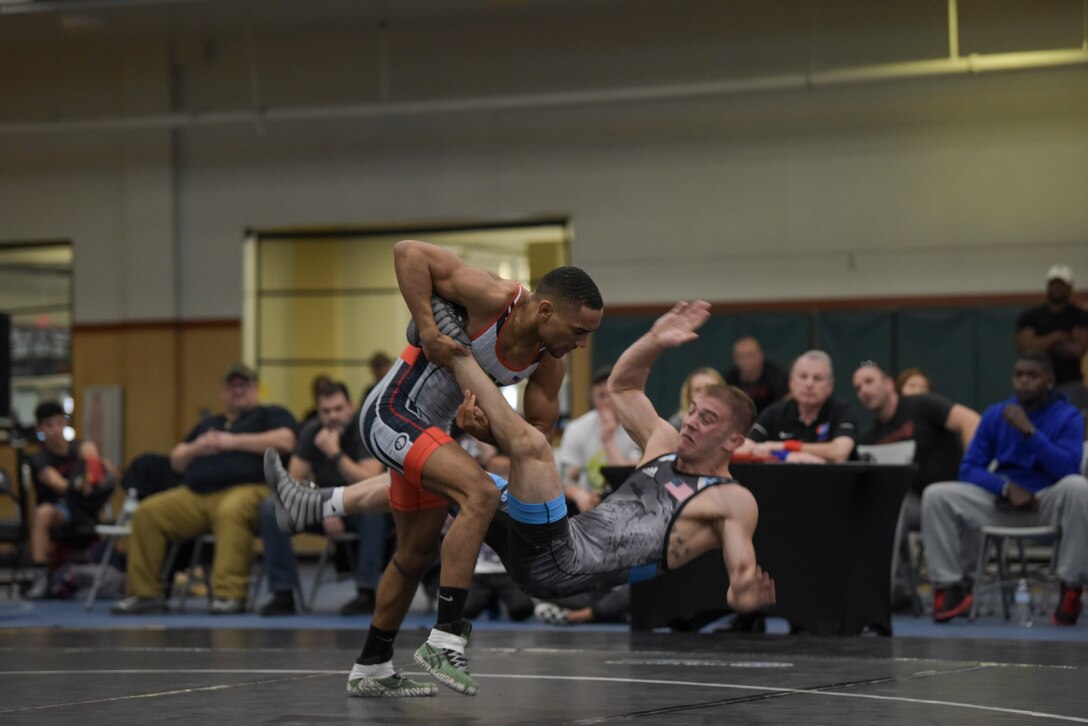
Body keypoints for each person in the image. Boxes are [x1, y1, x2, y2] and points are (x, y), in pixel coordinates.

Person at [267, 300, 775, 668]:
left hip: (569, 568)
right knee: (461, 481)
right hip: (554, 544)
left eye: (705, 420)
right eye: (691, 411)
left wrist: (746, 597)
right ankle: (316, 505)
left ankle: (457, 353)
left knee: (533, 449)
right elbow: (623, 387)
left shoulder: (731, 499)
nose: (688, 423)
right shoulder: (664, 443)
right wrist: (654, 340)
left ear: (732, 440)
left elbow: (740, 576)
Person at [350, 240, 603, 697]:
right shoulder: (495, 298)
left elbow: (535, 440)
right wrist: (428, 329)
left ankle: (372, 664)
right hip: (392, 410)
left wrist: (483, 432)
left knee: (414, 555)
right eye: (579, 330)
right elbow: (408, 253)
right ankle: (446, 638)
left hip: (434, 434)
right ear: (545, 310)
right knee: (481, 494)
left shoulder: (549, 363)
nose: (582, 344)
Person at [112, 363, 298, 615]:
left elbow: (286, 441)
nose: (237, 391)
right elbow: (177, 461)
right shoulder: (210, 423)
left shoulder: (270, 414)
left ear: (256, 390)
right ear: (222, 393)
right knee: (148, 512)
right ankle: (145, 593)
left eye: (244, 386)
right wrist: (197, 447)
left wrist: (233, 441)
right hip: (196, 495)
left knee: (230, 512)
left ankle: (228, 595)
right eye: (232, 387)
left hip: (250, 489)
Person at [921, 354, 1088, 625]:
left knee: (1078, 486)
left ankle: (1071, 587)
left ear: (1049, 381)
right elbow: (969, 468)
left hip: (1046, 501)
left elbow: (1068, 468)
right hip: (1003, 503)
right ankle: (950, 588)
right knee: (937, 495)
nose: (1023, 381)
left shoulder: (1067, 416)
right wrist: (1005, 487)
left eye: (1032, 376)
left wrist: (1029, 432)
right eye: (1018, 375)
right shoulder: (996, 413)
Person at [852, 362, 981, 605]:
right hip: (917, 505)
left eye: (869, 382)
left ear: (889, 384)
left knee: (965, 502)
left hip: (954, 494)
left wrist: (972, 471)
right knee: (884, 506)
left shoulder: (921, 405)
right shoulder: (871, 438)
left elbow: (971, 420)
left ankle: (964, 587)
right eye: (858, 388)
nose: (864, 390)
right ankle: (899, 590)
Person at [257, 381, 386, 616]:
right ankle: (283, 592)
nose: (333, 416)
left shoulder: (365, 428)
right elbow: (294, 482)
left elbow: (369, 482)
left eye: (338, 409)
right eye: (326, 411)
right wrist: (324, 507)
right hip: (326, 506)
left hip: (360, 507)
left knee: (373, 510)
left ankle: (367, 591)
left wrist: (334, 453)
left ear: (350, 407)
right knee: (271, 507)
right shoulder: (311, 431)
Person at [25, 400, 118, 598]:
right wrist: (79, 484)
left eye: (59, 423)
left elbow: (112, 475)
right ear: (41, 428)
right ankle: (40, 575)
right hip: (62, 510)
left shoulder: (82, 448)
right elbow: (59, 484)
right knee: (43, 513)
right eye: (49, 425)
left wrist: (95, 460)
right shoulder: (39, 459)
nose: (56, 430)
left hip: (87, 508)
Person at [740, 350, 858, 463]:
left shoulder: (842, 412)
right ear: (791, 382)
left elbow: (840, 452)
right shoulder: (773, 414)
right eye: (803, 376)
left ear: (830, 386)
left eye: (817, 378)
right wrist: (786, 456)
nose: (809, 384)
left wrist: (784, 446)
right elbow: (743, 449)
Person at [556, 365, 642, 513]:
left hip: (625, 505)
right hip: (586, 505)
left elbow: (631, 477)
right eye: (602, 395)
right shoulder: (577, 428)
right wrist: (580, 496)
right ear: (592, 397)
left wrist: (608, 439)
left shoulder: (635, 428)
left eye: (612, 395)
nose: (607, 402)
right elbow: (565, 478)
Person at [1016, 264, 1088, 386]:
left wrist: (1041, 344)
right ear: (1048, 286)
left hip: (1070, 381)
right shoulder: (1031, 316)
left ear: (1070, 287)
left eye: (1061, 285)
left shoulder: (1080, 316)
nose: (1057, 288)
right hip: (1036, 383)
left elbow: (1077, 349)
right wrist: (1057, 337)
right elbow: (1027, 349)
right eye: (1054, 284)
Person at [725, 337, 788, 414]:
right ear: (735, 360)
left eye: (750, 355)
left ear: (760, 355)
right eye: (741, 356)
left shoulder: (778, 378)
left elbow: (781, 408)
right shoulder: (728, 380)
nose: (746, 360)